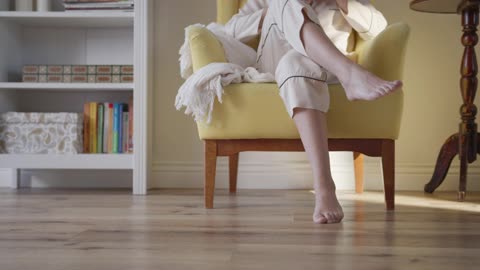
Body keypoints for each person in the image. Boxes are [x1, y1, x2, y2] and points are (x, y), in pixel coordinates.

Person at [224, 0, 402, 224]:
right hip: (272, 62)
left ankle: (324, 187)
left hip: (320, 67)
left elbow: (379, 27)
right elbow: (229, 30)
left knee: (297, 64)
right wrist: (275, 12)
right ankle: (350, 74)